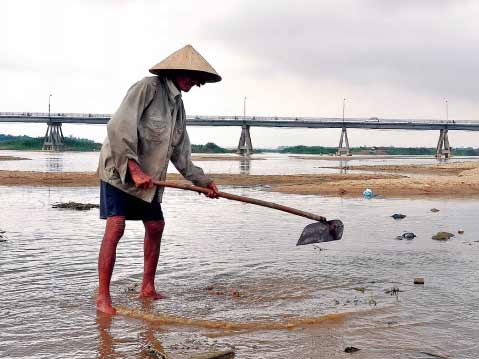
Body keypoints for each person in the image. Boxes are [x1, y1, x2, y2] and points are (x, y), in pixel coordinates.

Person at [96, 45, 221, 314]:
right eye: (190, 76)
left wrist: (201, 181)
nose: (195, 83)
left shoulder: (178, 105)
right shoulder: (147, 88)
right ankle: (103, 297)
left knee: (156, 226)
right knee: (116, 227)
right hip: (119, 172)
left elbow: (180, 151)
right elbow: (119, 127)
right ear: (175, 71)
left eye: (198, 79)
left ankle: (147, 287)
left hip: (149, 178)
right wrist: (133, 170)